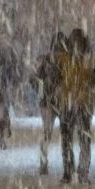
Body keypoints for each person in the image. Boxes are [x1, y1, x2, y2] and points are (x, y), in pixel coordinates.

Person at [58, 28, 95, 184]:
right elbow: (57, 78)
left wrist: (94, 91)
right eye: (74, 43)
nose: (76, 46)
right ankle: (69, 171)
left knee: (83, 139)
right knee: (67, 139)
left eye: (78, 43)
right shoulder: (64, 59)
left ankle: (82, 171)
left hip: (82, 103)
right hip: (68, 103)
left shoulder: (90, 60)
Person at [34, 31, 66, 175]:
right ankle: (66, 164)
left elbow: (37, 80)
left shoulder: (46, 61)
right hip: (60, 102)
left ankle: (43, 162)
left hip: (48, 102)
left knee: (47, 133)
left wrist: (42, 98)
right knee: (65, 133)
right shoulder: (66, 61)